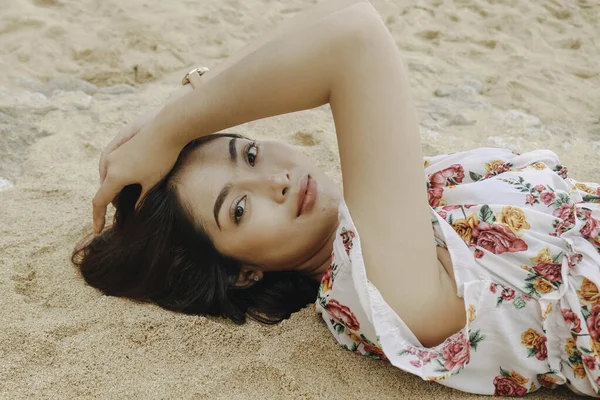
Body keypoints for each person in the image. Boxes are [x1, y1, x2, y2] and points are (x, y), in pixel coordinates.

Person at [73, 0, 600, 396]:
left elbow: (338, 16)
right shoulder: (372, 286)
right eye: (238, 208)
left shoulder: (395, 212)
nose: (275, 181)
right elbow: (353, 35)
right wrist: (169, 129)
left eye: (251, 154)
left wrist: (180, 107)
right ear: (244, 273)